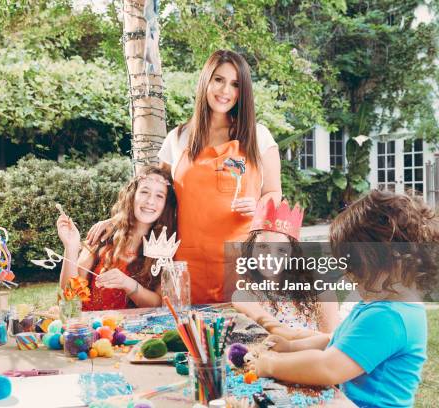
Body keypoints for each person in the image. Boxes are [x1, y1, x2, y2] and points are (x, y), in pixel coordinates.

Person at [88, 49, 282, 304]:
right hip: (188, 263)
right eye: (218, 80)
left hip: (242, 261)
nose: (225, 91)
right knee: (188, 337)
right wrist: (117, 220)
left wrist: (258, 207)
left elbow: (274, 193)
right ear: (205, 82)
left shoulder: (258, 136)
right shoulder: (177, 138)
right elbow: (158, 196)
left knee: (244, 338)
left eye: (235, 84)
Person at [247, 190, 439, 408]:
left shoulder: (390, 317)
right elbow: (335, 339)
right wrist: (291, 347)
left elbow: (327, 368)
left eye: (355, 266)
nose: (348, 274)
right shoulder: (377, 301)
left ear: (393, 259)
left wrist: (271, 365)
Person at [57, 166, 177, 310]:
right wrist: (70, 247)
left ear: (166, 204)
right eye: (144, 192)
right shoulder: (104, 237)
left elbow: (161, 304)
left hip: (133, 331)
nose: (150, 201)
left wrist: (128, 284)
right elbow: (68, 299)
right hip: (90, 328)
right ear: (132, 195)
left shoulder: (165, 248)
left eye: (159, 196)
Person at [232, 198, 339, 337]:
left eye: (281, 250)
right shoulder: (244, 294)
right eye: (263, 247)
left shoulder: (320, 291)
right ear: (250, 249)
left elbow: (333, 341)